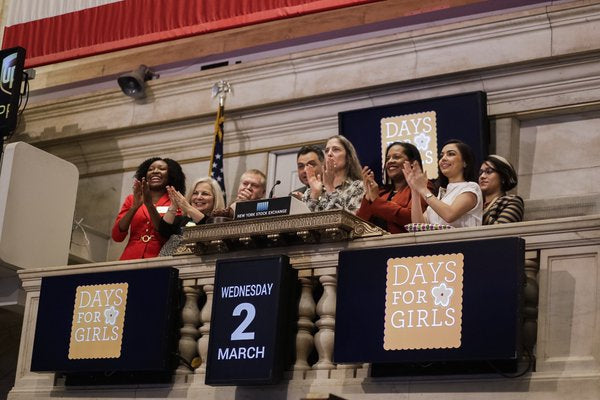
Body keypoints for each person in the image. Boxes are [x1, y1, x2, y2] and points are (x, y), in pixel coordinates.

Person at [112, 157, 186, 260]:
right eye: (151, 169)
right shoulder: (132, 199)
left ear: (171, 175)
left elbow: (166, 235)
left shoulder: (175, 202)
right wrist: (134, 207)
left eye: (161, 169)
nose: (155, 171)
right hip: (130, 258)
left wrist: (149, 205)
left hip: (160, 258)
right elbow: (117, 236)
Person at [403, 139, 482, 228]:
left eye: (451, 154)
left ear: (465, 162)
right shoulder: (441, 195)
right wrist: (415, 190)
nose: (443, 158)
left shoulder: (471, 188)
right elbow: (419, 225)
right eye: (441, 155)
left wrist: (423, 190)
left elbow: (449, 215)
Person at [356, 142, 431, 233]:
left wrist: (376, 201)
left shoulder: (423, 186)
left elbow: (412, 220)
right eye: (388, 158)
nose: (390, 161)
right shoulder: (380, 192)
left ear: (411, 163)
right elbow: (359, 225)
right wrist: (368, 197)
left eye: (397, 157)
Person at [158, 177, 225, 256]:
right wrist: (174, 205)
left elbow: (206, 225)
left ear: (215, 198)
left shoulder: (218, 221)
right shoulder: (182, 220)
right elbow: (163, 230)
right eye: (195, 193)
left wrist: (188, 207)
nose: (198, 197)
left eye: (205, 194)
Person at [302, 135, 365, 214]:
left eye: (336, 150)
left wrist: (330, 188)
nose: (329, 154)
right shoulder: (312, 189)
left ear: (348, 157)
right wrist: (314, 195)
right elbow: (302, 222)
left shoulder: (358, 187)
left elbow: (349, 222)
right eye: (327, 151)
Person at [478, 154, 524, 224]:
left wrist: (476, 212)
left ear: (503, 177)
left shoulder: (512, 201)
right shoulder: (478, 204)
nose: (482, 176)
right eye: (480, 173)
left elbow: (502, 232)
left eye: (489, 171)